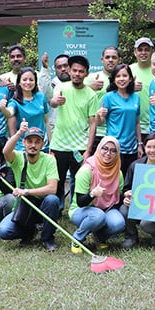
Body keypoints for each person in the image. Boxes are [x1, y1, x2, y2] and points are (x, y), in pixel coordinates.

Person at [0, 123, 62, 251]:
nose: (33, 145)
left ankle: (47, 238)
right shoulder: (18, 158)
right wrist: (19, 133)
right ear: (24, 143)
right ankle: (29, 232)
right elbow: (5, 151)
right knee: (3, 231)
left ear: (43, 144)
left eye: (37, 142)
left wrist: (26, 191)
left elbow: (52, 188)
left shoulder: (49, 159)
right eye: (30, 141)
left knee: (52, 200)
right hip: (25, 206)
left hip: (44, 205)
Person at [49, 54, 98, 203]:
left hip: (80, 147)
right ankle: (56, 209)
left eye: (81, 71)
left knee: (79, 181)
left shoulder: (91, 94)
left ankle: (75, 207)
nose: (77, 74)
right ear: (69, 70)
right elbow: (53, 103)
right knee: (58, 179)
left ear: (86, 74)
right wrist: (55, 101)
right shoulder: (60, 87)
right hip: (59, 145)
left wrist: (88, 150)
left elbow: (93, 124)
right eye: (74, 70)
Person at [69, 136, 126, 252]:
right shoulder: (87, 170)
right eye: (105, 148)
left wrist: (126, 196)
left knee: (119, 223)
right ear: (99, 149)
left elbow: (117, 198)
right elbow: (80, 202)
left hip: (106, 209)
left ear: (117, 153)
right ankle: (77, 239)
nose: (108, 153)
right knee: (98, 216)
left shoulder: (117, 173)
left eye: (113, 150)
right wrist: (93, 194)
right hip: (82, 210)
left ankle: (100, 237)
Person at [123, 132, 155, 247]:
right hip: (138, 205)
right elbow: (126, 188)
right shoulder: (135, 166)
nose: (152, 150)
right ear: (144, 148)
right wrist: (126, 195)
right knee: (124, 210)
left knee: (146, 224)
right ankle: (131, 236)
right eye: (149, 147)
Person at [97, 63, 142, 178]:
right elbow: (100, 122)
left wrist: (140, 144)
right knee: (115, 180)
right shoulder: (108, 97)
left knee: (130, 181)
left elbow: (137, 123)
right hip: (114, 148)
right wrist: (99, 115)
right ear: (114, 79)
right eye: (118, 76)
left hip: (132, 148)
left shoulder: (136, 97)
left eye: (125, 76)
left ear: (130, 78)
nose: (121, 79)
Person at [0, 66, 49, 149]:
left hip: (42, 145)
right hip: (22, 146)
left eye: (31, 80)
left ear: (35, 82)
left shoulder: (41, 97)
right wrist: (3, 108)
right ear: (19, 82)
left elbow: (46, 121)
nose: (28, 82)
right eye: (24, 79)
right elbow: (9, 113)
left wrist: (51, 144)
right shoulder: (15, 101)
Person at [87, 46, 120, 147]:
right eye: (107, 57)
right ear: (102, 60)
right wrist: (89, 87)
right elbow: (76, 92)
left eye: (114, 57)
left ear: (119, 60)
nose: (110, 60)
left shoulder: (123, 79)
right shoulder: (92, 78)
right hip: (96, 132)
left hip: (117, 131)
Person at [131, 37, 155, 136]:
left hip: (154, 125)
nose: (143, 53)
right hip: (132, 125)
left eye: (147, 50)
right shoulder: (128, 70)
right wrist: (129, 88)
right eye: (140, 50)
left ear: (152, 51)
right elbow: (117, 94)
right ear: (135, 52)